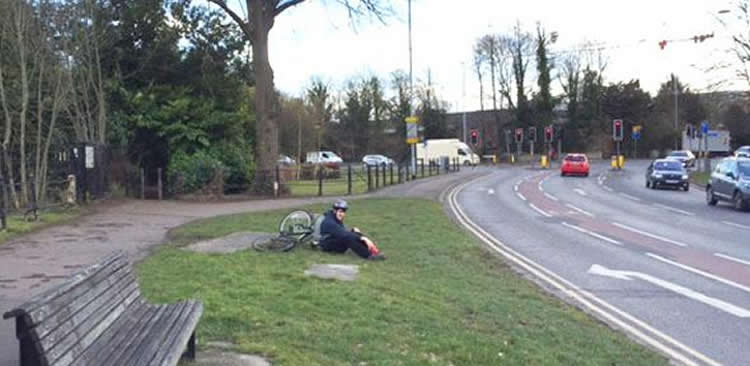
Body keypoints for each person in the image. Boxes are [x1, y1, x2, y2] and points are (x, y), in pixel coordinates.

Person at [319, 200, 386, 260]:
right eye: (340, 211)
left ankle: (374, 250)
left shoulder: (335, 218)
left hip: (334, 239)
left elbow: (343, 232)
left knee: (354, 231)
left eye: (344, 212)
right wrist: (361, 237)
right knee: (349, 238)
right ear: (334, 211)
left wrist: (358, 234)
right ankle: (369, 256)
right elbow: (344, 234)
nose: (342, 214)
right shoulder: (329, 222)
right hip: (327, 245)